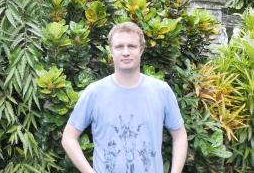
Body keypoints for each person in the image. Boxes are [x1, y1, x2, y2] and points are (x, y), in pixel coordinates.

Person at [62, 22, 188, 173]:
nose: (126, 52)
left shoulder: (161, 91)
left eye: (132, 46)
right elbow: (68, 138)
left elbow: (180, 135)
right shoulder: (94, 92)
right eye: (119, 46)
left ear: (141, 50)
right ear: (111, 51)